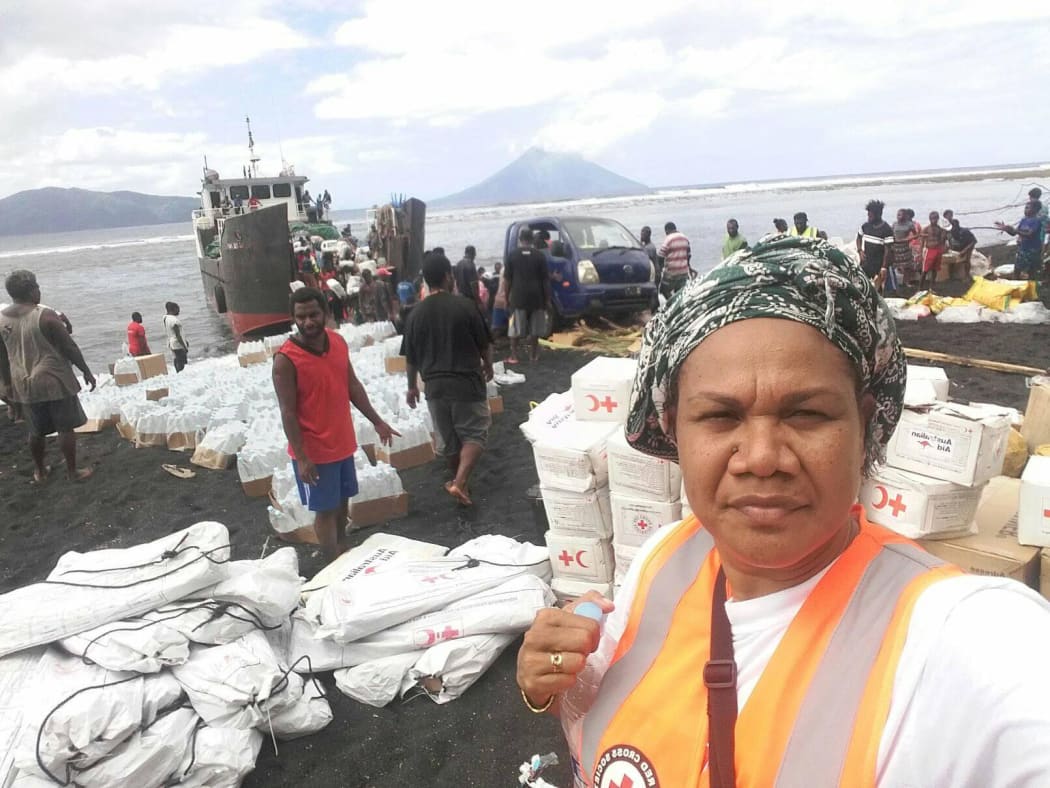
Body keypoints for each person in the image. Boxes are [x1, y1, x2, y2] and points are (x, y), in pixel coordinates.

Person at [516, 237, 1050, 787]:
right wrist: (551, 680)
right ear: (674, 429)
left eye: (806, 414)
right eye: (720, 417)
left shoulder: (958, 635)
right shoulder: (663, 558)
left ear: (864, 425)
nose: (763, 458)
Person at [272, 288, 398, 562]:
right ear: (293, 318)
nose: (308, 322)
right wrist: (302, 458)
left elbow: (352, 386)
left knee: (342, 503)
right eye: (301, 317)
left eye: (313, 314)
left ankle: (342, 550)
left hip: (342, 443)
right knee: (325, 510)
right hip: (315, 452)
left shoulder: (338, 343)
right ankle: (332, 562)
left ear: (326, 313)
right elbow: (288, 413)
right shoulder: (286, 360)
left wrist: (377, 422)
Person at [402, 253, 493, 507]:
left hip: (434, 387)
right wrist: (488, 364)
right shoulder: (465, 306)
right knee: (475, 434)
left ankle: (460, 484)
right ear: (447, 276)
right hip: (466, 382)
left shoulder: (415, 314)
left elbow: (410, 357)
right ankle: (460, 482)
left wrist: (411, 387)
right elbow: (484, 342)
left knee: (450, 441)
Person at [0, 270, 96, 482]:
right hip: (53, 379)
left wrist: (6, 384)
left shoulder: (1, 319)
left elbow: (3, 357)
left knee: (35, 430)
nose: (39, 291)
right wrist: (86, 370)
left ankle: (40, 471)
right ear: (31, 291)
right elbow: (69, 346)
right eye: (37, 287)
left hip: (23, 383)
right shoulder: (45, 315)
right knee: (65, 428)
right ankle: (72, 472)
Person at [504, 227, 551, 365]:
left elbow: (507, 280)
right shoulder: (539, 256)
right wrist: (547, 300)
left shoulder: (512, 255)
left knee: (514, 328)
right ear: (532, 240)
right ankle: (533, 356)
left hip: (518, 297)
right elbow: (545, 280)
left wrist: (506, 298)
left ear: (520, 239)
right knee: (535, 329)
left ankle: (514, 356)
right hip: (537, 298)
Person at [996, 202, 1044, 280]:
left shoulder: (1037, 221)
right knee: (1017, 269)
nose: (1025, 210)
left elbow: (1030, 234)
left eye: (1027, 208)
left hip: (1033, 250)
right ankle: (1015, 284)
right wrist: (1006, 229)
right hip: (1023, 249)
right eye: (1025, 208)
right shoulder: (1024, 220)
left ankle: (1031, 285)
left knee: (1031, 271)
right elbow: (1014, 233)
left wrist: (1015, 230)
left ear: (1035, 209)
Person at [856, 199, 894, 288]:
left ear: (878, 215)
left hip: (879, 264)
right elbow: (859, 238)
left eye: (870, 216)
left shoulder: (887, 229)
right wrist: (860, 251)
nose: (868, 218)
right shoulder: (865, 226)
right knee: (862, 285)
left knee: (878, 288)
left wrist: (884, 267)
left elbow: (888, 250)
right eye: (868, 215)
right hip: (866, 262)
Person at [657, 221, 692, 299]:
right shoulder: (685, 238)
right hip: (684, 271)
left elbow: (661, 256)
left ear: (667, 230)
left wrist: (660, 269)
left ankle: (671, 303)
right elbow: (689, 255)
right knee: (680, 293)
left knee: (664, 290)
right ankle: (677, 303)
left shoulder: (668, 239)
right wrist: (689, 267)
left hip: (671, 272)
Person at [919, 210, 949, 291]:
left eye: (935, 218)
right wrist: (920, 253)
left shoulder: (940, 229)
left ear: (938, 219)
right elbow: (922, 241)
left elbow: (942, 241)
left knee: (935, 269)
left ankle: (932, 287)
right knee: (925, 270)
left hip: (938, 250)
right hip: (929, 250)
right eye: (932, 218)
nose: (933, 220)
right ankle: (920, 288)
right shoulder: (926, 229)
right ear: (929, 219)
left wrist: (945, 233)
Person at [163, 302, 189, 373]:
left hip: (171, 342)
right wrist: (184, 346)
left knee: (176, 358)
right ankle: (180, 372)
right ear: (173, 309)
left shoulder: (165, 318)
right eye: (178, 309)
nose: (179, 311)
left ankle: (177, 372)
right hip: (177, 344)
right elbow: (178, 335)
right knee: (181, 361)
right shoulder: (174, 321)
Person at [455, 245, 483, 310]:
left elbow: (457, 282)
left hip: (460, 297)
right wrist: (479, 301)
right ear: (473, 254)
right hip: (469, 298)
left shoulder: (458, 264)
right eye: (474, 254)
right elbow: (474, 285)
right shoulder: (471, 264)